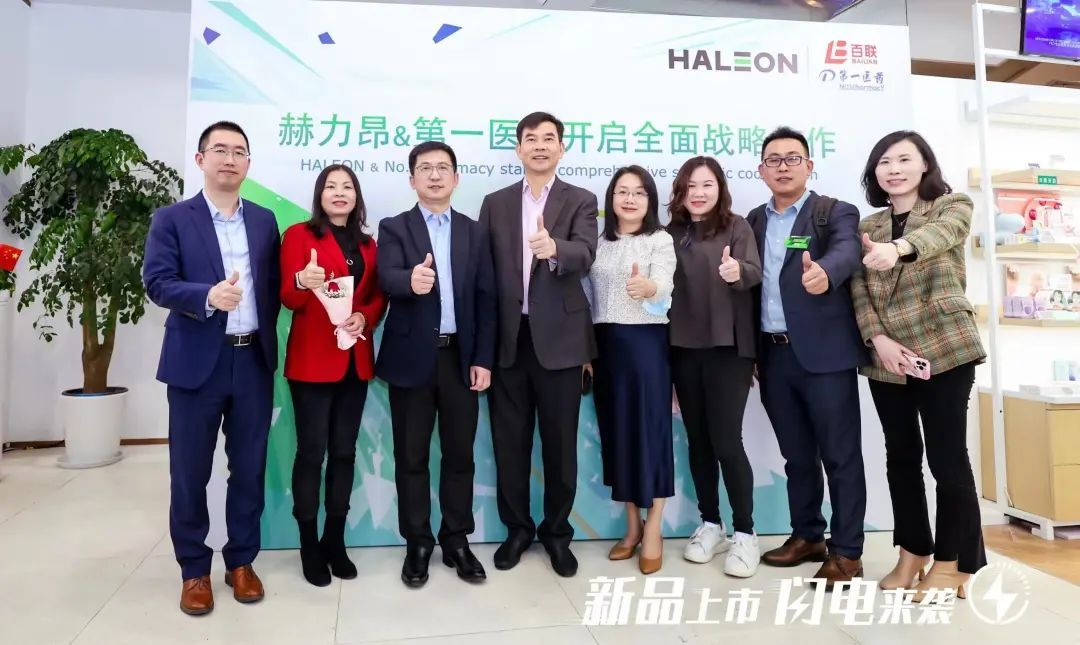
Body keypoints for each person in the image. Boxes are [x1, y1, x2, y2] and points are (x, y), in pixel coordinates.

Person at [143, 121, 281, 615]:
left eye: (239, 151)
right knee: (190, 471)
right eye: (219, 150)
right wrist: (206, 296)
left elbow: (273, 286)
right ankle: (194, 570)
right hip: (195, 363)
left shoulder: (264, 220)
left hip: (253, 360)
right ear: (201, 159)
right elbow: (157, 282)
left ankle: (241, 561)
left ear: (248, 163)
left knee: (249, 468)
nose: (229, 158)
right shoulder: (171, 219)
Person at [852, 130, 987, 600]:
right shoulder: (868, 225)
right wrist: (878, 339)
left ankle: (954, 562)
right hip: (887, 357)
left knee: (947, 459)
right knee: (901, 458)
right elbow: (858, 290)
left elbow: (937, 237)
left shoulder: (953, 206)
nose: (894, 169)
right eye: (884, 162)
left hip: (943, 345)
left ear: (925, 164)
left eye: (904, 159)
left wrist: (898, 249)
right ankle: (912, 552)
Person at [745, 126, 868, 589]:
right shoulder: (753, 220)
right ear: (761, 170)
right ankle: (808, 535)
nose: (783, 167)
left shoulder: (832, 212)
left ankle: (847, 552)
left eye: (792, 158)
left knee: (840, 456)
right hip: (773, 356)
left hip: (825, 357)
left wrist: (827, 274)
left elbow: (847, 250)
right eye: (773, 160)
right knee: (796, 456)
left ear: (809, 166)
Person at [478, 111, 599, 577]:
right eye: (532, 139)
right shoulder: (496, 203)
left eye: (550, 138)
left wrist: (555, 250)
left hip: (562, 342)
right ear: (519, 149)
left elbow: (586, 253)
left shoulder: (581, 199)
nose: (541, 146)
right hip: (509, 341)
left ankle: (557, 533)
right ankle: (517, 530)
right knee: (509, 444)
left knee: (560, 446)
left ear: (562, 148)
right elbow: (485, 277)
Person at [375, 141, 497, 588]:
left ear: (456, 178)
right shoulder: (395, 227)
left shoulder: (474, 231)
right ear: (412, 179)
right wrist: (410, 280)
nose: (434, 175)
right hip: (412, 359)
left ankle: (456, 539)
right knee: (411, 456)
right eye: (425, 168)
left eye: (443, 167)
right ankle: (418, 542)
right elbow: (384, 277)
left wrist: (482, 358)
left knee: (459, 455)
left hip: (460, 358)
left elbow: (486, 298)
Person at [279, 163, 386, 587]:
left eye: (347, 187)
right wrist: (301, 281)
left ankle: (334, 540)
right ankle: (308, 544)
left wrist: (365, 316)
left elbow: (377, 297)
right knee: (311, 453)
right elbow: (288, 298)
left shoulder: (369, 244)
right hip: (311, 363)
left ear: (356, 197)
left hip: (354, 361)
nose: (339, 193)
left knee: (344, 453)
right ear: (319, 195)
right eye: (331, 186)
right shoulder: (298, 236)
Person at [666, 157, 764, 578]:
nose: (699, 193)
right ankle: (711, 524)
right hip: (682, 348)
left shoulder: (737, 227)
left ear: (720, 188)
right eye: (691, 186)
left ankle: (745, 532)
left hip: (729, 348)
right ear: (680, 191)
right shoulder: (669, 233)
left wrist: (736, 270)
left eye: (707, 185)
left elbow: (755, 272)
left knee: (726, 441)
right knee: (698, 442)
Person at [587, 165, 676, 575]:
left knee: (650, 435)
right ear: (611, 199)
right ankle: (631, 525)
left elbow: (665, 286)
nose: (629, 199)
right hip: (605, 348)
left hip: (645, 344)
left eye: (639, 192)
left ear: (650, 200)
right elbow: (585, 296)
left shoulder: (660, 239)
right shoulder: (597, 242)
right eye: (622, 191)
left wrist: (650, 289)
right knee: (618, 434)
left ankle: (654, 526)